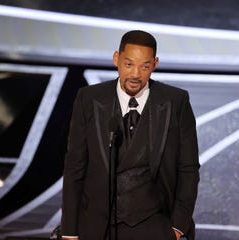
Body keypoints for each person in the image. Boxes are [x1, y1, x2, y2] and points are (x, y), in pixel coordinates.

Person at [61, 30, 200, 240]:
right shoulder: (88, 99)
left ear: (154, 64)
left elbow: (188, 168)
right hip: (97, 227)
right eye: (129, 64)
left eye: (144, 66)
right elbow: (75, 167)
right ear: (116, 58)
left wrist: (177, 227)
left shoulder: (175, 101)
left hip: (155, 226)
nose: (136, 74)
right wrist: (70, 232)